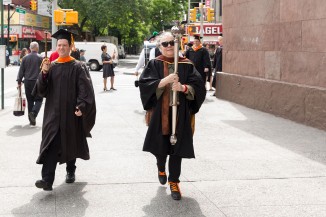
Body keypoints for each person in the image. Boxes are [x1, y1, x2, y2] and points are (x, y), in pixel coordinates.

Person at [139, 32, 206, 200]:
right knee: (160, 148)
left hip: (180, 113)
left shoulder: (187, 65)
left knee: (177, 150)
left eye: (171, 43)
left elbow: (198, 87)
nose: (169, 46)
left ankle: (174, 181)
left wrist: (183, 88)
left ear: (177, 45)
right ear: (160, 47)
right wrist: (165, 80)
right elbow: (145, 84)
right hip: (160, 113)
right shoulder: (154, 64)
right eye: (165, 44)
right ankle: (161, 166)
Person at [33, 29, 96, 191]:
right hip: (53, 114)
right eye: (59, 45)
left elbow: (85, 89)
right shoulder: (51, 66)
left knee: (70, 143)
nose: (61, 48)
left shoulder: (78, 66)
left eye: (64, 45)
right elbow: (41, 91)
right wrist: (44, 73)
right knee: (50, 144)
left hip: (70, 113)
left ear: (70, 47)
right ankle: (47, 180)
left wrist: (81, 106)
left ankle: (70, 170)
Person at [17, 42, 43, 126]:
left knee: (30, 101)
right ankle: (34, 113)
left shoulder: (25, 58)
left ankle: (31, 120)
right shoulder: (40, 58)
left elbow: (21, 71)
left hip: (27, 82)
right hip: (37, 81)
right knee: (39, 99)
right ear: (37, 48)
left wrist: (19, 81)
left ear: (30, 48)